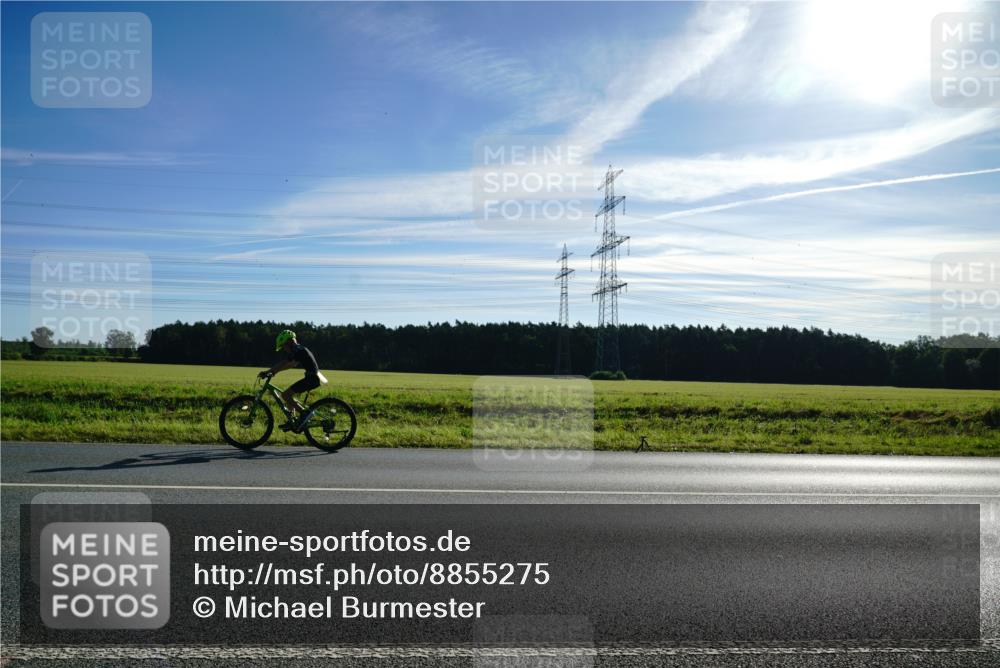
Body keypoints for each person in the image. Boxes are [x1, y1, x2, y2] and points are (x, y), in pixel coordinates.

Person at [259, 330, 327, 430]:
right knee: (288, 395)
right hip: (312, 378)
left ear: (289, 342)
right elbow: (290, 363)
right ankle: (292, 421)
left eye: (284, 346)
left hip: (312, 379)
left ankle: (305, 413)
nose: (284, 349)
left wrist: (272, 372)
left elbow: (288, 363)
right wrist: (272, 371)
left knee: (285, 395)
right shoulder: (298, 349)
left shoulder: (298, 350)